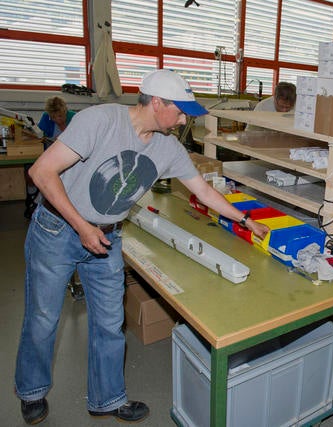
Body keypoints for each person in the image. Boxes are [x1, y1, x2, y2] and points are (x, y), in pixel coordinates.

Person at [14, 69, 269, 425]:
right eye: (179, 111)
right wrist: (82, 226)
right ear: (158, 102)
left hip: (106, 236)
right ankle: (32, 391)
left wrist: (245, 220)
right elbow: (41, 172)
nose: (183, 120)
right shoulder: (99, 121)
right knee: (43, 318)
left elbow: (205, 192)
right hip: (57, 229)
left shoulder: (169, 148)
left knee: (110, 322)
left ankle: (107, 398)